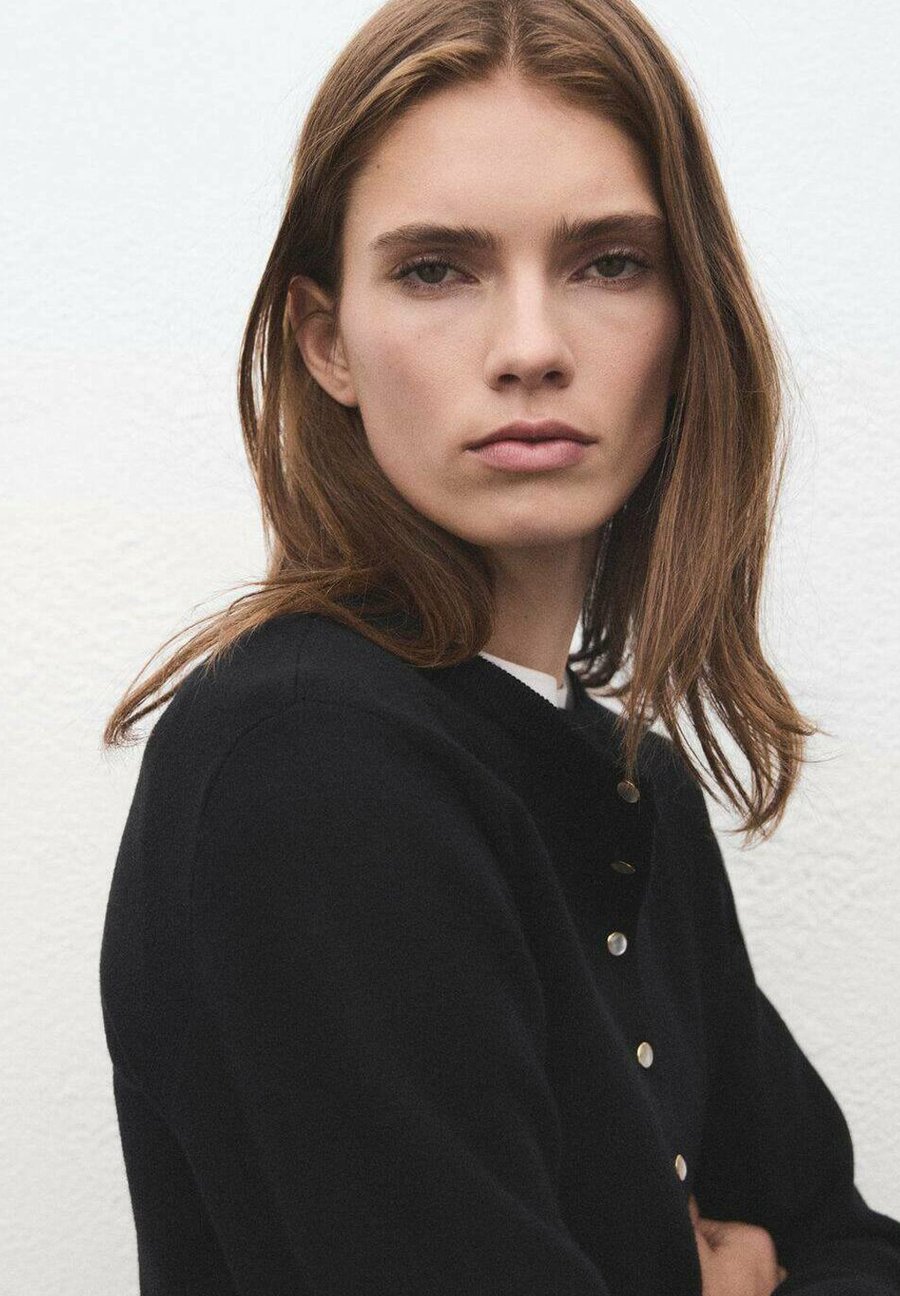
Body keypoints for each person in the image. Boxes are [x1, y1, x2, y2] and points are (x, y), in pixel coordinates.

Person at [98, 0, 900, 1292]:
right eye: (436, 271)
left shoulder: (631, 778)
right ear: (327, 342)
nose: (531, 349)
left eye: (609, 265)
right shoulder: (306, 759)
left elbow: (842, 1239)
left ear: (689, 318)